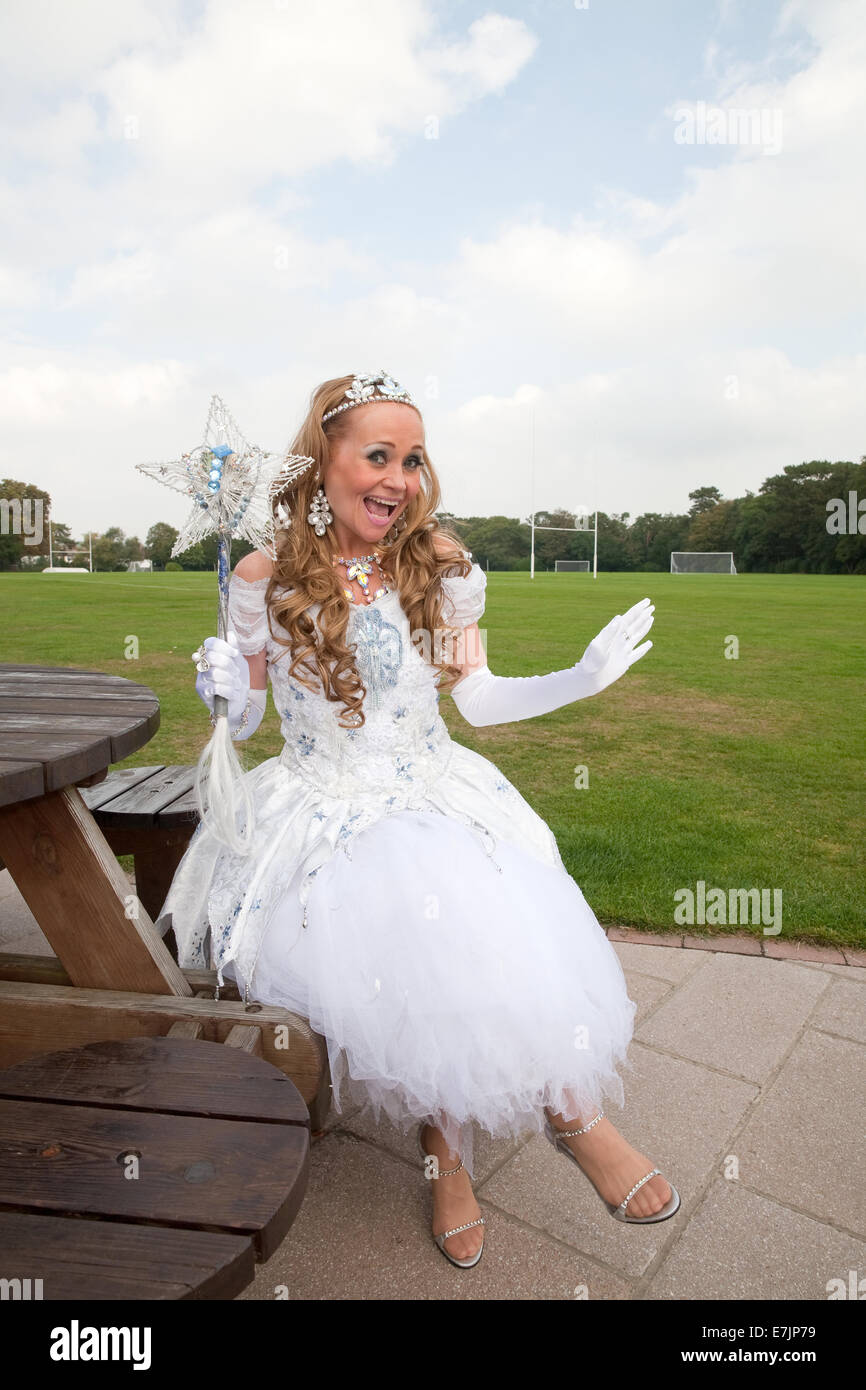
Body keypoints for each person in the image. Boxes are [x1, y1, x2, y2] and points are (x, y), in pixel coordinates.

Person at [159, 369, 680, 1271]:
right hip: (324, 811)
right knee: (415, 959)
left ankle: (571, 1111)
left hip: (438, 789)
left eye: (413, 458)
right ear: (322, 460)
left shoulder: (435, 562)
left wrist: (578, 680)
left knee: (495, 928)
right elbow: (245, 722)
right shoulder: (260, 575)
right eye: (378, 455)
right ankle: (446, 1149)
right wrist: (219, 686)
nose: (399, 478)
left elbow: (477, 700)